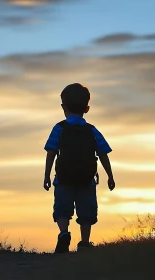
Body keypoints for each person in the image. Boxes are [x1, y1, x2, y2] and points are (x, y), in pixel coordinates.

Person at [43, 83, 115, 253]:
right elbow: (103, 153)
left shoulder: (59, 128)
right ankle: (84, 242)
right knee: (86, 211)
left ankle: (63, 233)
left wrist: (46, 175)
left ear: (63, 107)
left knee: (62, 209)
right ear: (87, 108)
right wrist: (110, 176)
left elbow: (51, 152)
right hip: (87, 179)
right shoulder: (92, 130)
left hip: (63, 177)